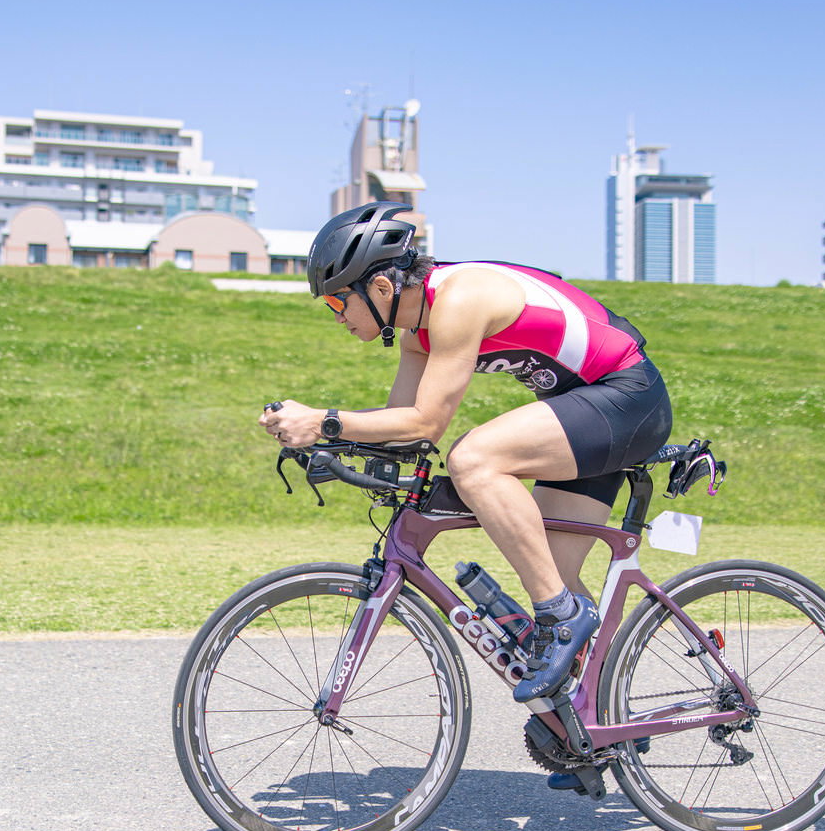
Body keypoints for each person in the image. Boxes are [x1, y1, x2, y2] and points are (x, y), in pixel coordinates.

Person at [261, 201, 672, 715]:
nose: (337, 316)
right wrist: (326, 446)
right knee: (553, 567)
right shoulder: (417, 333)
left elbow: (427, 424)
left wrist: (324, 419)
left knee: (474, 460)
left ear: (382, 289)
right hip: (590, 413)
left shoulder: (459, 299)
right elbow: (399, 428)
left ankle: (560, 616)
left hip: (628, 399)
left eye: (337, 303)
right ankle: (594, 725)